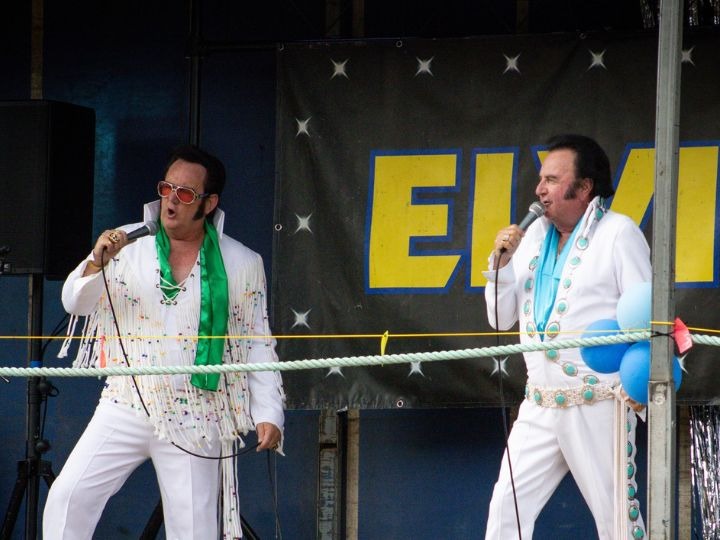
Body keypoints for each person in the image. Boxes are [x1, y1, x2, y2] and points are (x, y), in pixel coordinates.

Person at [43, 145, 285, 539]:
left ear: (209, 204)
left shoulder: (241, 262)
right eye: (166, 188)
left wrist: (269, 412)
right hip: (126, 402)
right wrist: (97, 262)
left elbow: (257, 340)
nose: (171, 200)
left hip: (198, 413)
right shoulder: (125, 243)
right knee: (68, 496)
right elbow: (75, 303)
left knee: (194, 530)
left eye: (185, 193)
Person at [483, 134, 650, 539]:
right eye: (541, 179)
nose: (540, 189)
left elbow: (645, 315)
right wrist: (500, 265)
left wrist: (638, 384)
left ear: (585, 187)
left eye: (553, 180)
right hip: (539, 401)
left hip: (598, 400)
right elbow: (500, 319)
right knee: (506, 505)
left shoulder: (618, 233)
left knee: (616, 516)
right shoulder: (531, 238)